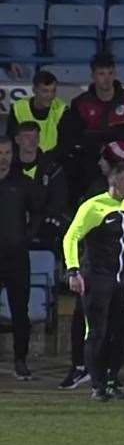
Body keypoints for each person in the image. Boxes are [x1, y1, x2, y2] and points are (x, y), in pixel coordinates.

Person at [58, 140, 124, 390]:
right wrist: (73, 271)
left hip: (119, 278)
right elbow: (71, 237)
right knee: (97, 332)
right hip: (96, 277)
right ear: (115, 183)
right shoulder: (93, 207)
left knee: (121, 331)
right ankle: (98, 385)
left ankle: (113, 379)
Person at [61, 52, 124, 205]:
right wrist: (99, 153)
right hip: (93, 164)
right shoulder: (80, 104)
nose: (107, 78)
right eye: (101, 74)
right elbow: (74, 138)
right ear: (93, 76)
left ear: (115, 73)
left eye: (110, 73)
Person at [0, 136, 40, 380]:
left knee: (19, 312)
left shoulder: (23, 183)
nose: (2, 158)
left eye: (6, 153)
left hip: (16, 257)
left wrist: (25, 237)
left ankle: (20, 360)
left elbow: (37, 213)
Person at [13, 121, 69, 251]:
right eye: (27, 137)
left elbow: (58, 201)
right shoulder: (7, 168)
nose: (32, 141)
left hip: (43, 223)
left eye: (35, 137)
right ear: (17, 140)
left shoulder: (52, 168)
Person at [7, 70, 68, 152]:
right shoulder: (18, 108)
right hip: (23, 161)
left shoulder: (62, 109)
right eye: (45, 91)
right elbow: (11, 140)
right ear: (34, 90)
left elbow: (65, 144)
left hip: (53, 161)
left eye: (53, 91)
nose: (50, 96)